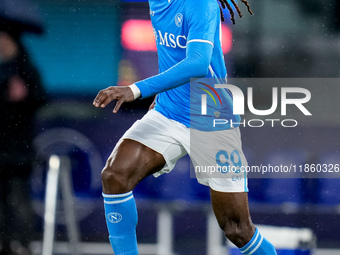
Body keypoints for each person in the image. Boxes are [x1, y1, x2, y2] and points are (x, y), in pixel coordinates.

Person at [93, 0, 277, 254]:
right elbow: (170, 53)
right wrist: (164, 94)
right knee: (114, 175)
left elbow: (198, 63)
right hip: (168, 112)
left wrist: (137, 89)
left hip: (211, 119)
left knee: (237, 229)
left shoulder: (200, 4)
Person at [0, 22, 46, 255]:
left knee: (19, 198)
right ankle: (5, 245)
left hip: (19, 147)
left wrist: (24, 95)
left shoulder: (26, 70)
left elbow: (40, 98)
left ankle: (25, 245)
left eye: (6, 40)